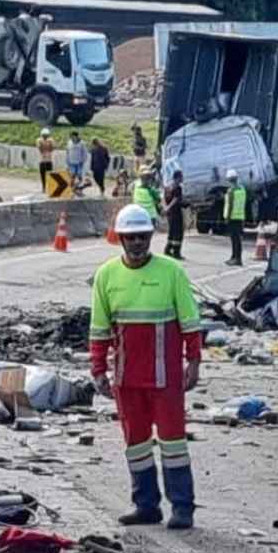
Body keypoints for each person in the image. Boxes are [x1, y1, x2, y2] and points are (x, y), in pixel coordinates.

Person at [89, 204, 202, 529]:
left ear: (150, 237)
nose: (137, 243)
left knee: (173, 444)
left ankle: (182, 507)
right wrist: (98, 369)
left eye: (142, 237)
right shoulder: (106, 276)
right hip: (127, 380)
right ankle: (146, 505)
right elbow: (99, 329)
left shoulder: (171, 272)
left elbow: (190, 322)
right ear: (120, 239)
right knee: (136, 444)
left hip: (165, 378)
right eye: (131, 238)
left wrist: (193, 362)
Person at [223, 169, 247, 266]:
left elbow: (230, 205)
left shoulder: (231, 191)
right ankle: (235, 257)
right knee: (237, 239)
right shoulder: (242, 189)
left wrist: (227, 217)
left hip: (232, 218)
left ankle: (236, 259)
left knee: (234, 239)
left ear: (229, 179)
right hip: (240, 216)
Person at [162, 170, 186, 259]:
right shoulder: (178, 188)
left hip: (169, 214)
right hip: (176, 212)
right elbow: (176, 199)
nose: (182, 178)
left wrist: (165, 208)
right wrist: (169, 207)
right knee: (178, 233)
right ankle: (176, 253)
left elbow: (163, 198)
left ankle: (167, 250)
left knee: (172, 231)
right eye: (181, 177)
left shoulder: (168, 187)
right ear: (178, 177)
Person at [37, 129, 55, 193]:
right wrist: (42, 143)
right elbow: (40, 149)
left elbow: (51, 149)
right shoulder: (39, 140)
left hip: (49, 160)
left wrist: (50, 143)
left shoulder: (50, 140)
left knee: (50, 175)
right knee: (43, 175)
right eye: (44, 135)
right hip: (42, 161)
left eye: (46, 135)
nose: (45, 137)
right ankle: (44, 187)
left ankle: (50, 187)